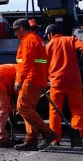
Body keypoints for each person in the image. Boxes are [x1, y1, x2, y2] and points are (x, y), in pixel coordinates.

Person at [44, 24, 83, 146]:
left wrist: (45, 78)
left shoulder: (48, 46)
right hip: (73, 82)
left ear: (50, 34)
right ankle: (77, 137)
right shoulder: (71, 40)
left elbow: (43, 64)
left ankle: (55, 139)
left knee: (55, 111)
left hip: (56, 83)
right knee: (76, 109)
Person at [12, 19, 58, 151]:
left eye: (15, 31)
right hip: (35, 79)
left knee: (23, 107)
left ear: (21, 29)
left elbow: (26, 62)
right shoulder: (36, 40)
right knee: (28, 110)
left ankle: (47, 133)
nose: (15, 34)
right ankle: (31, 141)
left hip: (30, 79)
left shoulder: (29, 40)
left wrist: (19, 80)